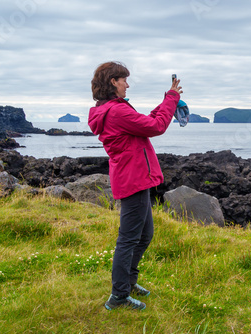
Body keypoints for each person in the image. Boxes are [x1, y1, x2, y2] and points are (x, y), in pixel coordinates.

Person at [88, 61, 182, 310]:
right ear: (112, 83)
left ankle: (128, 283)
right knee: (129, 239)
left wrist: (167, 101)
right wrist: (172, 99)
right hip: (134, 180)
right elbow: (156, 126)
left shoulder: (114, 109)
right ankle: (118, 296)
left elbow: (144, 122)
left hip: (135, 177)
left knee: (144, 236)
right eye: (124, 80)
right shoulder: (116, 111)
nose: (127, 84)